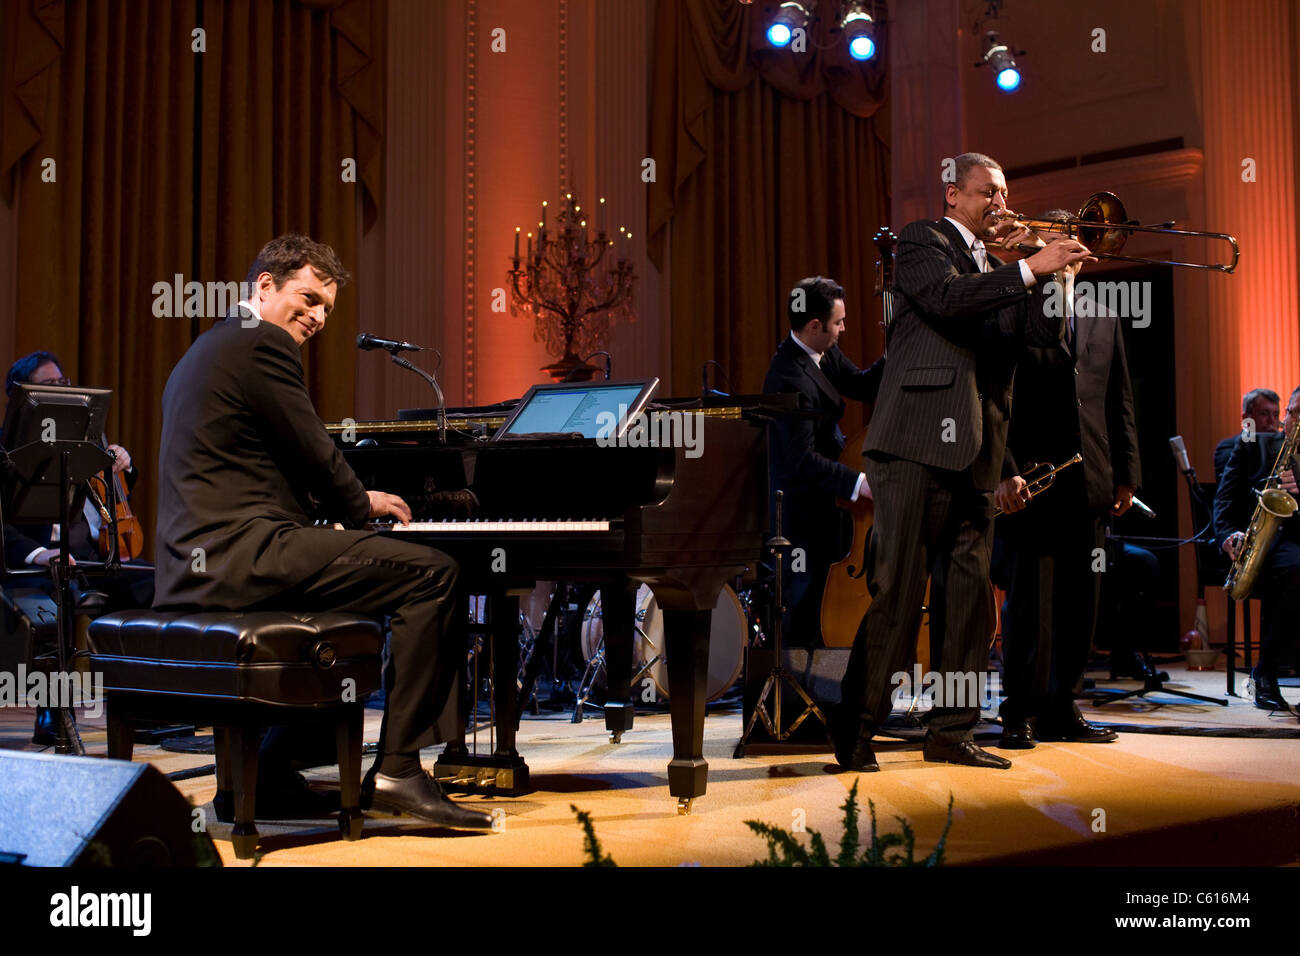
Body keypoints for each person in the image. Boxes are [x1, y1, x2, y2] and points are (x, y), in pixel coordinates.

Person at [154, 233, 490, 829]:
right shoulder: (261, 345)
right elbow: (315, 452)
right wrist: (361, 504)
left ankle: (273, 776)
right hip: (245, 555)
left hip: (199, 560)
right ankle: (399, 770)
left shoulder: (209, 349)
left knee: (348, 594)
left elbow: (262, 461)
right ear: (264, 286)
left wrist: (331, 515)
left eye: (327, 310)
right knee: (433, 575)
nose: (315, 317)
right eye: (307, 299)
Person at [834, 152, 1093, 772]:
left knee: (969, 602)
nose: (1000, 204)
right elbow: (949, 301)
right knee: (899, 591)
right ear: (953, 194)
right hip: (914, 444)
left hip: (981, 451)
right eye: (987, 193)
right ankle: (856, 724)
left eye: (1005, 193)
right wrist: (1030, 267)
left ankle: (951, 732)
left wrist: (1052, 275)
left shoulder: (1004, 268)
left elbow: (1044, 338)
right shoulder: (923, 241)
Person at [994, 212, 1141, 749]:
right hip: (1033, 485)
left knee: (1082, 604)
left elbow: (1119, 401)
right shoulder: (1012, 308)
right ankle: (1019, 713)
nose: (1071, 247)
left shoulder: (1105, 315)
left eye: (1075, 240)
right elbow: (997, 403)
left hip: (1092, 483)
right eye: (1059, 239)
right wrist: (1006, 472)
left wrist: (1127, 475)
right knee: (1029, 607)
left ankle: (1063, 707)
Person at [762, 276, 884, 646]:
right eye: (838, 323)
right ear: (815, 326)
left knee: (819, 599)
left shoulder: (820, 351)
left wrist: (898, 351)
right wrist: (860, 483)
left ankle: (826, 690)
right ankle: (805, 694)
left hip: (825, 503)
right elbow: (801, 459)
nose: (843, 329)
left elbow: (861, 385)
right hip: (801, 512)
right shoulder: (789, 377)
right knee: (805, 602)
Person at [1214, 385, 1300, 713]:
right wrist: (1227, 536)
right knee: (1295, 571)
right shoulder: (1249, 446)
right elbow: (1224, 499)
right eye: (1293, 413)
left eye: (1287, 414)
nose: (1284, 421)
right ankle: (1265, 674)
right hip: (1265, 543)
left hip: (1293, 540)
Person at [1214, 388, 1281, 482]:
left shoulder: (1282, 447)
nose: (1272, 421)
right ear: (1246, 418)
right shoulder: (1227, 447)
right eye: (1264, 414)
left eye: (1276, 415)